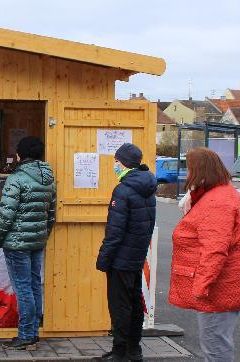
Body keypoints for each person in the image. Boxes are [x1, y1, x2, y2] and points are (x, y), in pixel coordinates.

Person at [168, 148, 240, 362]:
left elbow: (215, 250)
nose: (187, 174)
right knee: (215, 343)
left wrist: (201, 287)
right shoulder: (218, 194)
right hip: (220, 286)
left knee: (215, 347)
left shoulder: (217, 201)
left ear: (200, 170)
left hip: (219, 289)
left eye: (189, 168)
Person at [0, 136, 56, 350]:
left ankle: (26, 335)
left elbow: (6, 216)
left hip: (17, 242)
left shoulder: (16, 178)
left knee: (23, 288)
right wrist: (43, 235)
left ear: (20, 155)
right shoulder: (48, 176)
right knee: (35, 285)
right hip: (37, 241)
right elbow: (51, 214)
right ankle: (33, 332)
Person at [96, 143, 157, 362]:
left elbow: (115, 231)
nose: (114, 165)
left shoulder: (123, 190)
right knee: (133, 302)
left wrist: (103, 259)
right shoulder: (148, 187)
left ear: (123, 163)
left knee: (119, 306)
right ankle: (134, 349)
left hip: (121, 259)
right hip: (136, 255)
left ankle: (120, 351)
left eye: (116, 161)